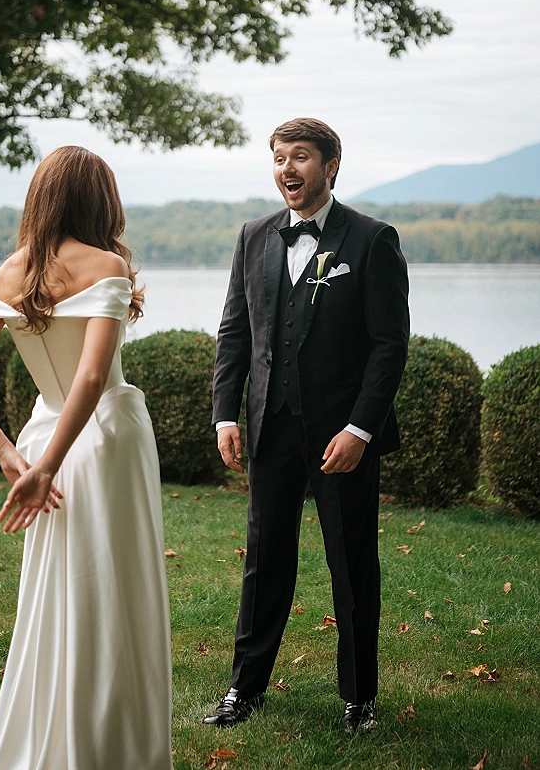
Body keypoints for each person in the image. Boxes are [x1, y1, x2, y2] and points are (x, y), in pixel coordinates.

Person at [0, 146, 173, 769]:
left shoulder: (10, 274)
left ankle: (58, 737)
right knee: (115, 590)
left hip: (42, 435)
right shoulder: (105, 263)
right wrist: (47, 465)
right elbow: (90, 378)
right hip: (103, 438)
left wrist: (10, 452)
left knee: (61, 586)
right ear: (100, 199)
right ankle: (113, 749)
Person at [205, 118, 410, 734]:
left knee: (351, 563)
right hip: (270, 427)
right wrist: (224, 413)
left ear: (330, 167)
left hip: (341, 437)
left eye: (299, 158)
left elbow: (388, 346)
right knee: (265, 562)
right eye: (277, 158)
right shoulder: (254, 237)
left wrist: (360, 430)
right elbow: (235, 332)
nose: (286, 169)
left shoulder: (372, 240)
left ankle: (359, 697)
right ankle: (245, 689)